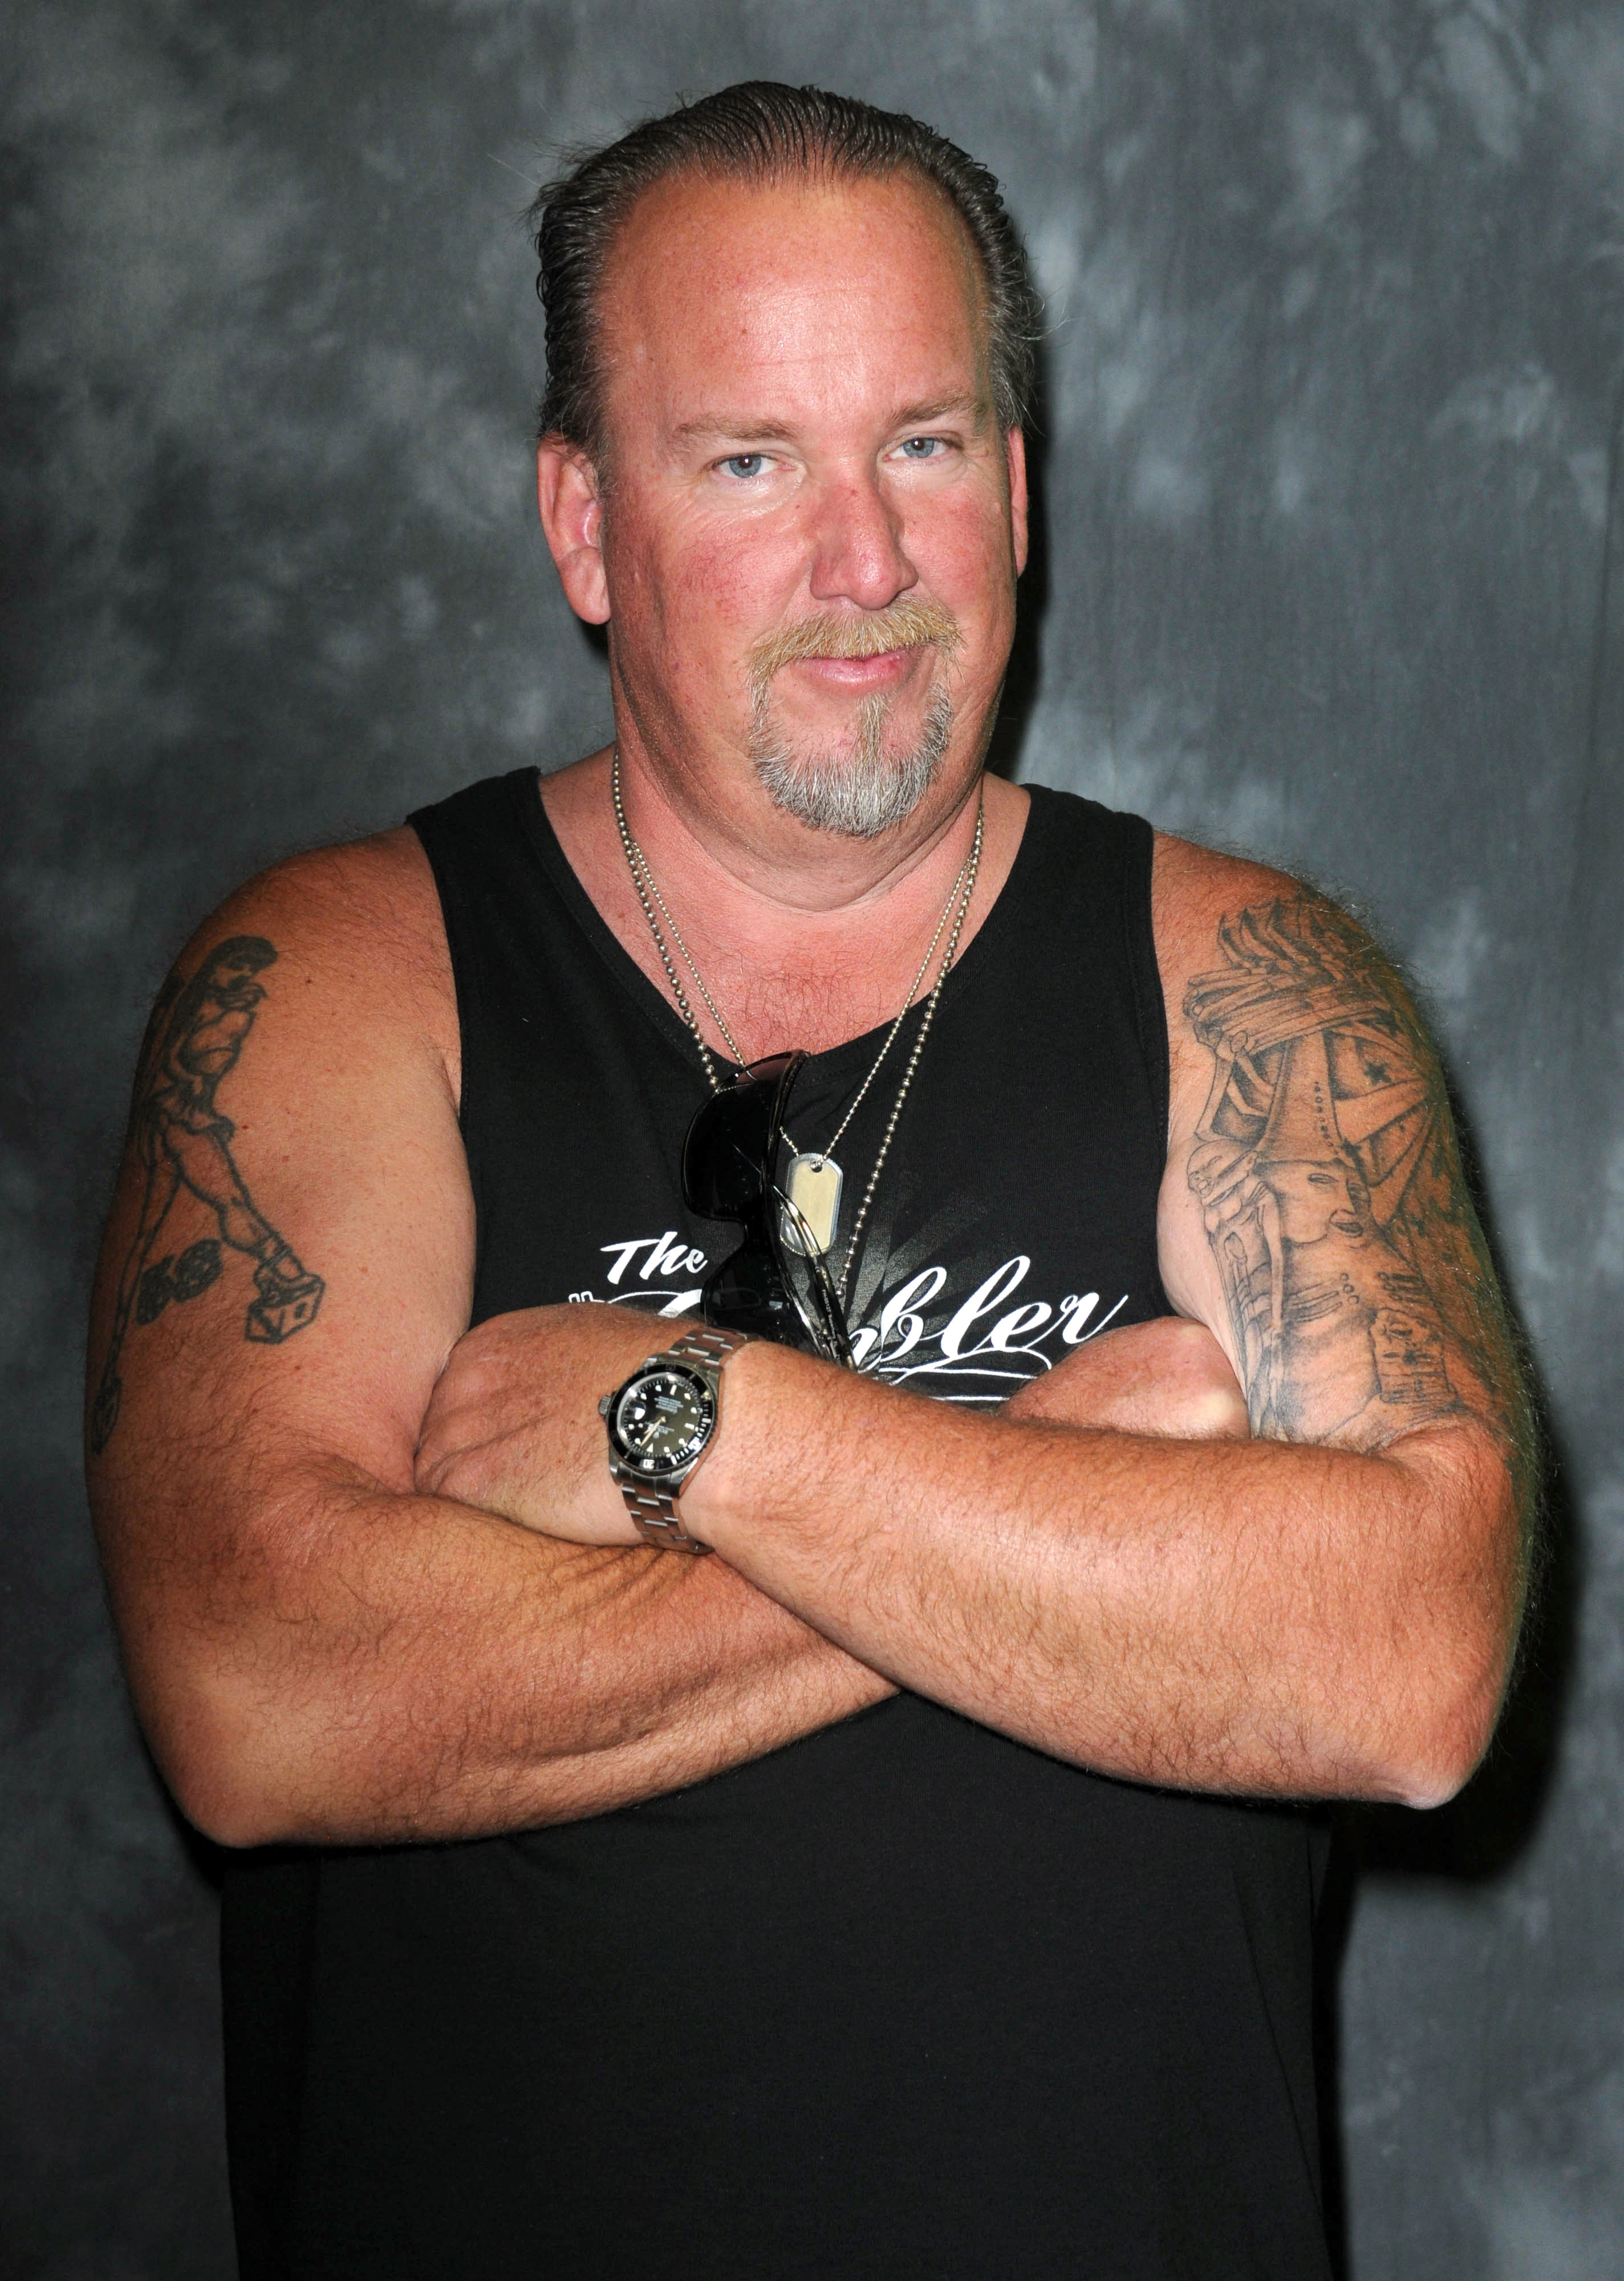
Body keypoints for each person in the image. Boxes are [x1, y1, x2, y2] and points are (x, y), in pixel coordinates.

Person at [87, 81, 1531, 2281]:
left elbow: (1405, 1665)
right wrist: (1057, 1485)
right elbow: (264, 1699)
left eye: (925, 447)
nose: (865, 561)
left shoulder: (1244, 980)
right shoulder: (344, 980)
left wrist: (703, 1429)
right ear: (582, 523)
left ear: (1020, 488)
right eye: (749, 462)